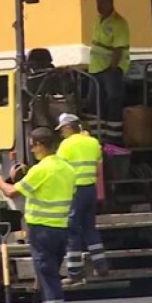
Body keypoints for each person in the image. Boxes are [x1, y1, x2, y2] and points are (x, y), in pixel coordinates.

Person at [0, 127, 76, 303]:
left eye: (32, 144)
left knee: (48, 279)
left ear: (39, 144)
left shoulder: (41, 170)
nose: (31, 148)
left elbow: (12, 192)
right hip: (61, 229)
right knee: (49, 276)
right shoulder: (66, 168)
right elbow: (49, 188)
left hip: (42, 230)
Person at [55, 113, 109, 286]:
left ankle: (74, 273)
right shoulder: (93, 143)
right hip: (90, 190)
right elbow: (98, 168)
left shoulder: (65, 145)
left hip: (74, 191)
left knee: (72, 231)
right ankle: (102, 266)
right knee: (90, 228)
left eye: (62, 129)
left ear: (68, 127)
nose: (61, 133)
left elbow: (59, 171)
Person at [88, 0, 130, 145]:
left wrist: (113, 69)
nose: (99, 6)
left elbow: (118, 49)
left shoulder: (119, 23)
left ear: (110, 2)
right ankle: (97, 136)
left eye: (102, 2)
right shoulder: (99, 21)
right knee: (94, 103)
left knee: (112, 100)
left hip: (111, 69)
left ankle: (113, 138)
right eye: (97, 2)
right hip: (95, 68)